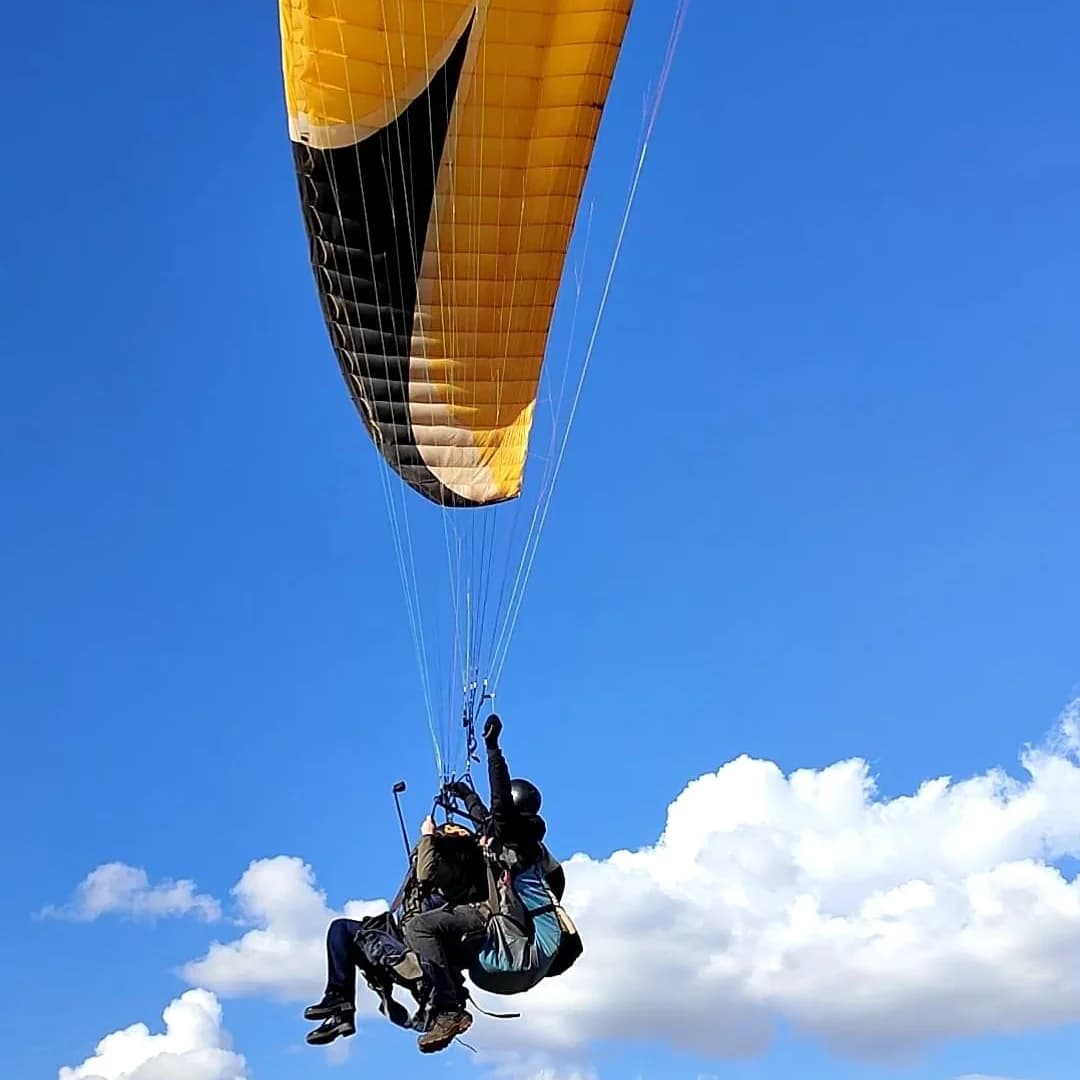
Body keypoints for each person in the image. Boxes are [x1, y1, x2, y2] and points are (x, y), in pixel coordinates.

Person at [302, 815, 487, 1050]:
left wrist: (428, 836)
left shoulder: (457, 869)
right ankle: (340, 1006)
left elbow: (426, 872)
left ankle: (448, 1011)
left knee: (414, 927)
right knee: (341, 929)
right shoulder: (426, 885)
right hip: (399, 939)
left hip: (420, 952)